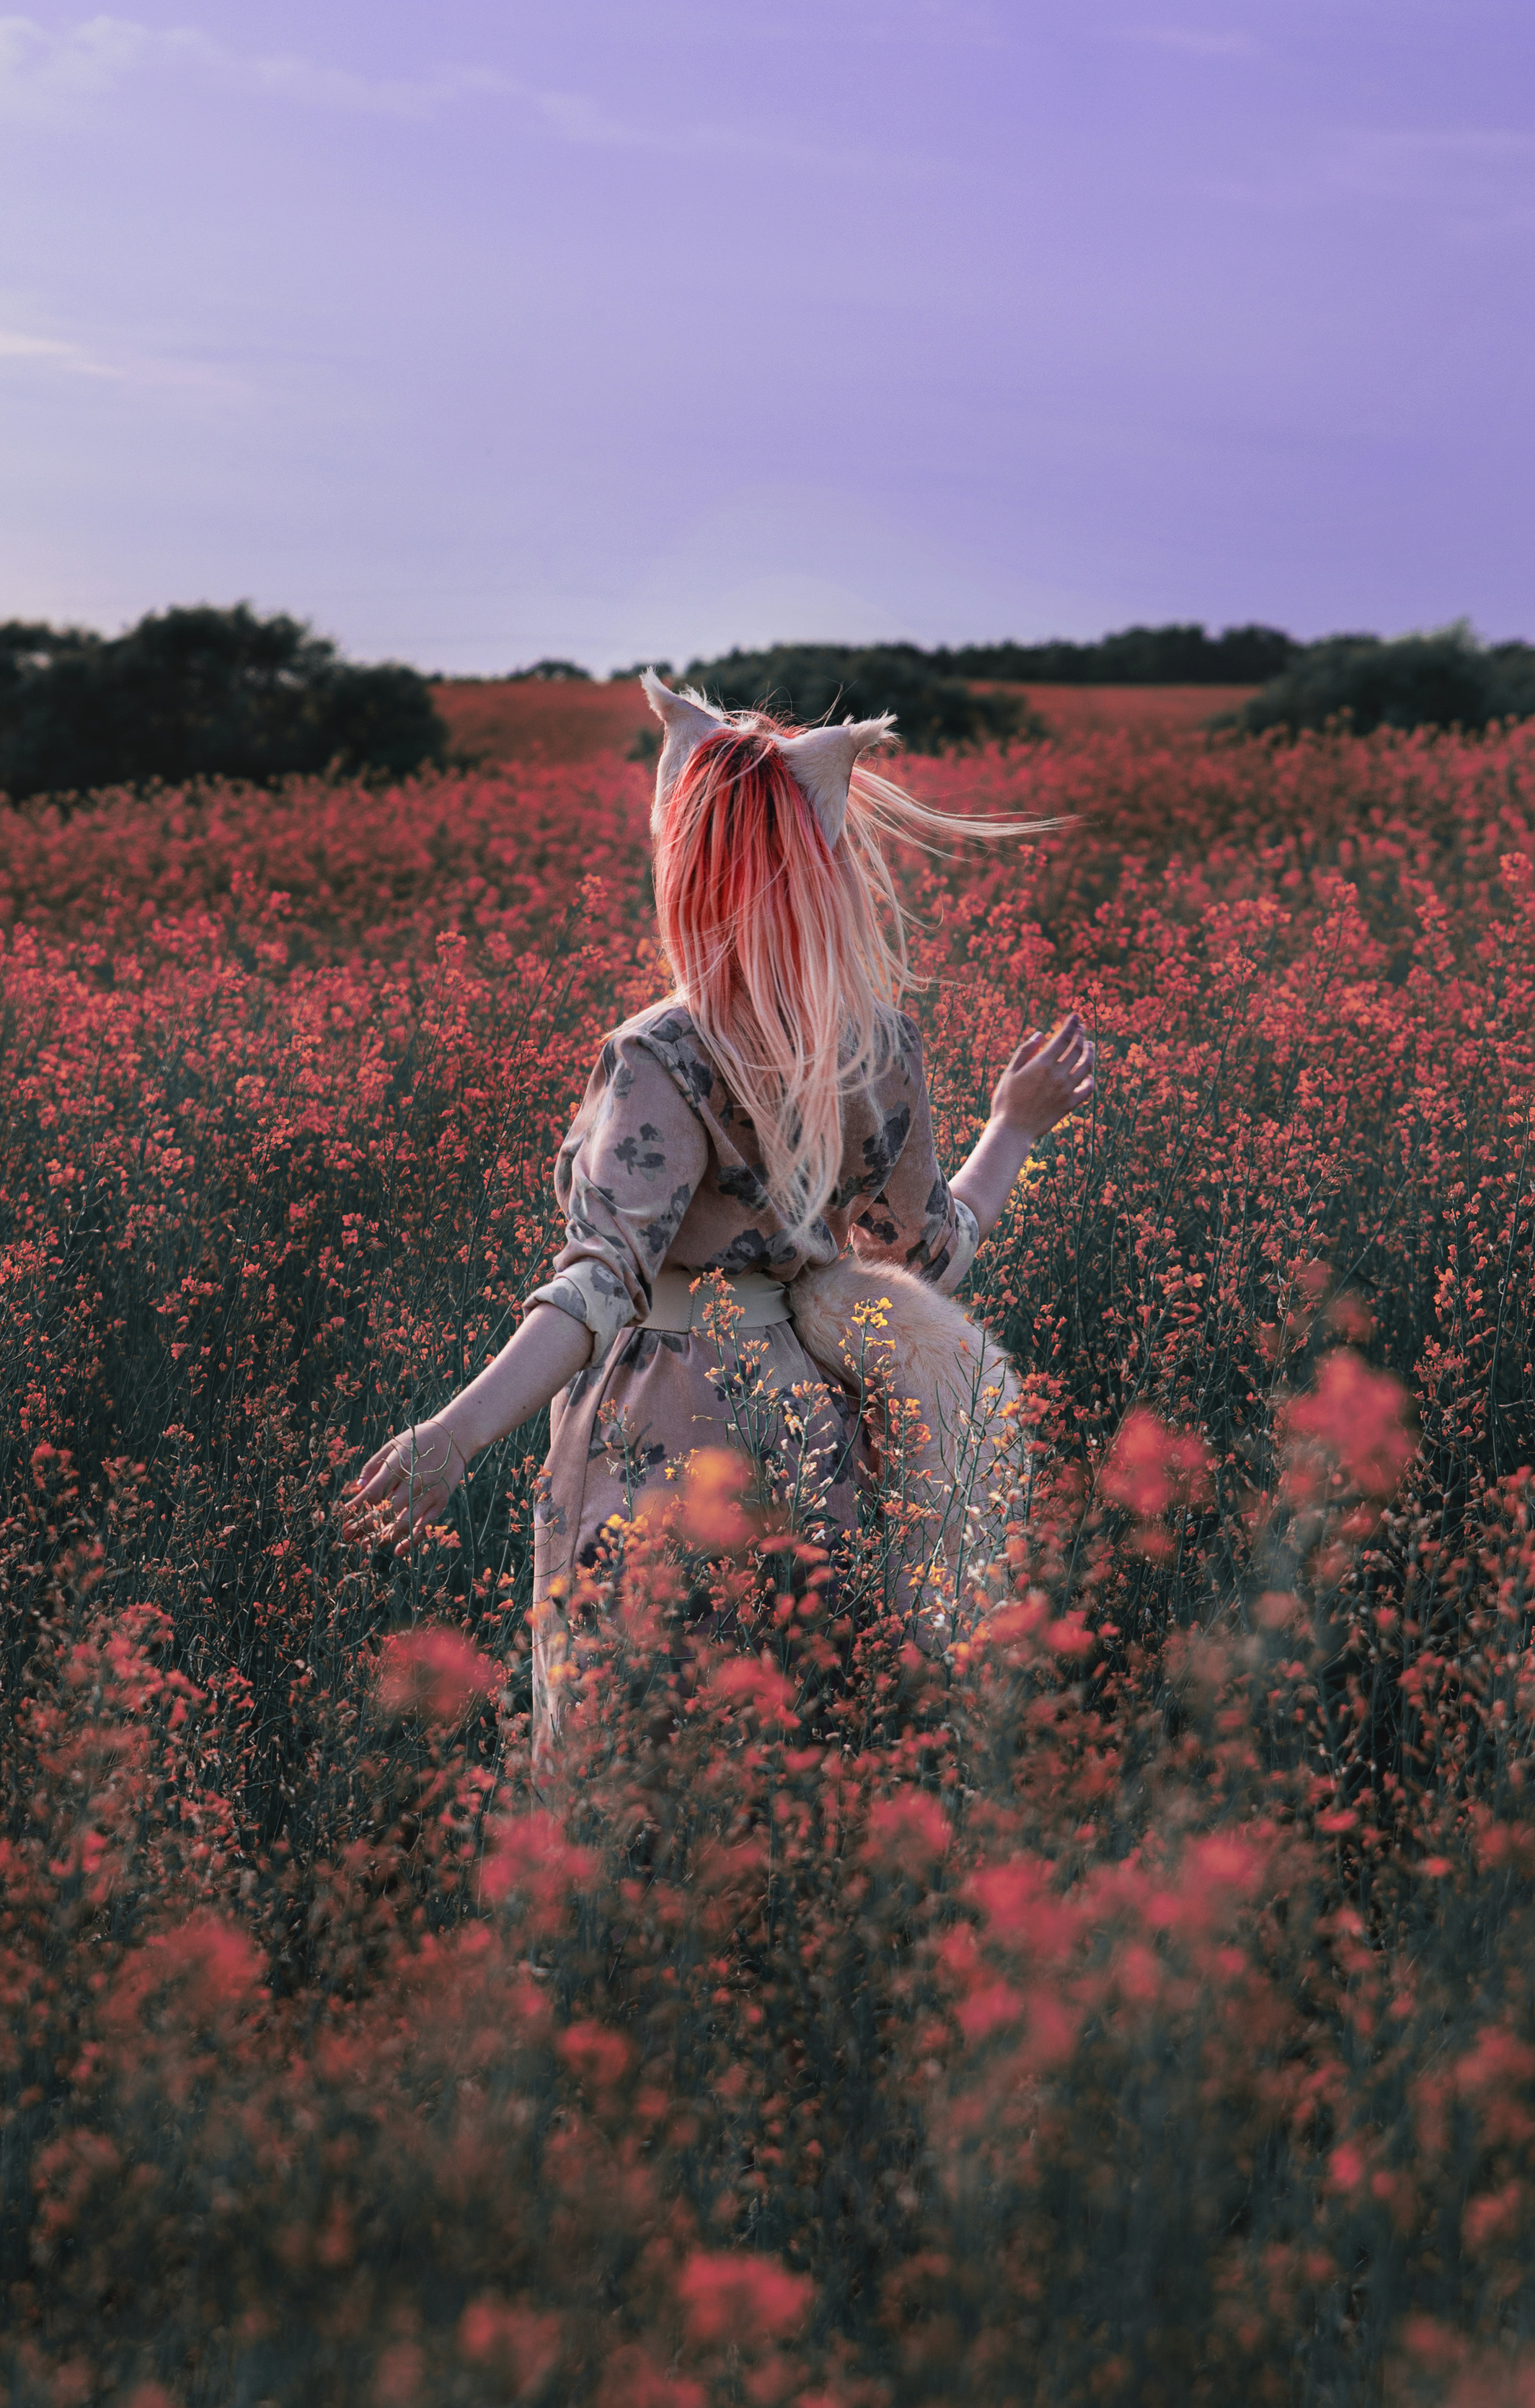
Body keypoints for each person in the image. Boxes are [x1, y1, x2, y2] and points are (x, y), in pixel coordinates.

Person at [345, 672, 1093, 1739]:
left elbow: (600, 1285)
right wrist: (1015, 1125)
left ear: (687, 867)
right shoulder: (876, 1046)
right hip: (807, 1419)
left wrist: (457, 1435)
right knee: (799, 1744)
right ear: (824, 869)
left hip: (656, 1430)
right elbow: (917, 1264)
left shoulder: (663, 1050)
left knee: (637, 1763)